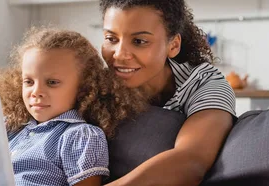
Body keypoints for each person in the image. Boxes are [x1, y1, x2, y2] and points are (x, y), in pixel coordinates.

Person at [0, 27, 147, 186]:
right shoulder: (9, 129)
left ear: (83, 88)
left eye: (52, 83)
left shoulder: (79, 135)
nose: (36, 91)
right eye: (28, 81)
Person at [100, 0, 237, 185]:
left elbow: (191, 162)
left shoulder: (203, 83)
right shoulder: (95, 84)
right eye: (111, 39)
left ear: (173, 45)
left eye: (139, 41)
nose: (119, 54)